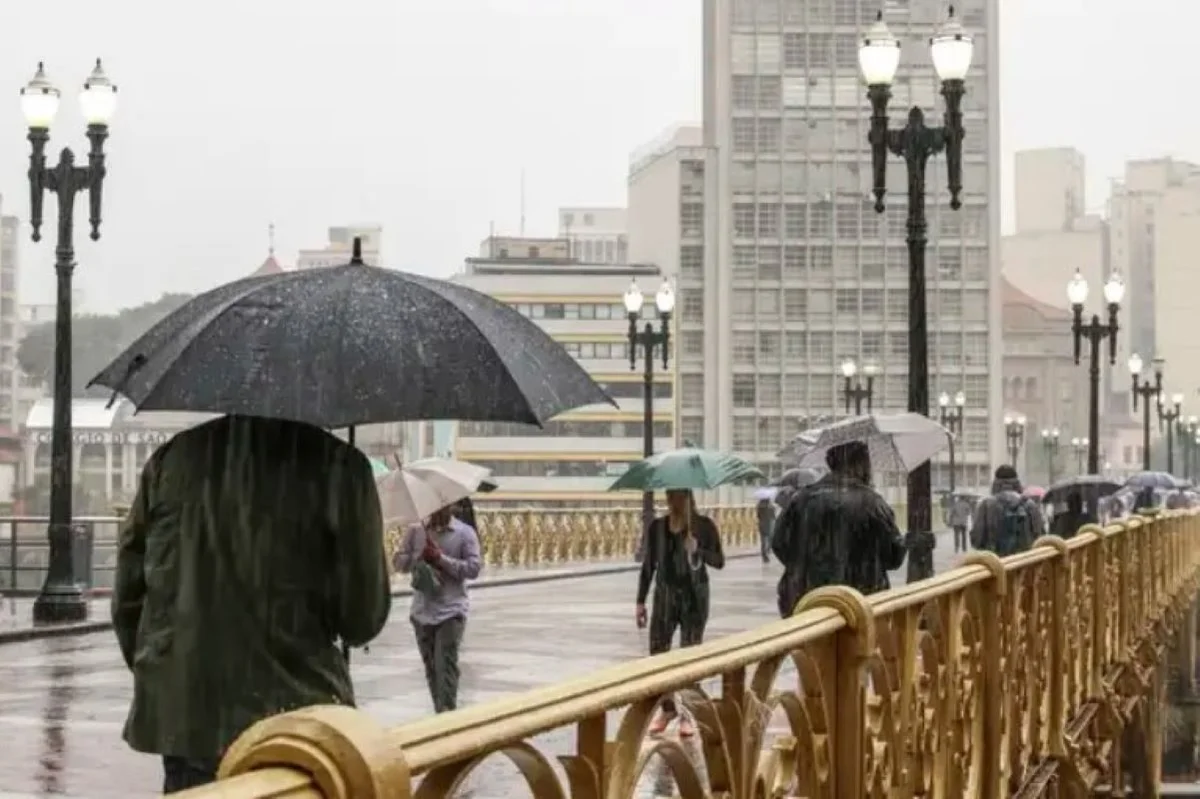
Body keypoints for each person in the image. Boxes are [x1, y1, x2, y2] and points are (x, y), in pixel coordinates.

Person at [112, 415, 391, 794]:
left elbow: (129, 595)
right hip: (299, 718)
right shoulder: (343, 467)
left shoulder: (172, 459)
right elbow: (363, 619)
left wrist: (171, 672)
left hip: (189, 715)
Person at [771, 441, 906, 619]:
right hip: (857, 604)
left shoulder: (801, 499)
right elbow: (893, 559)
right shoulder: (872, 503)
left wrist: (804, 567)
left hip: (804, 599)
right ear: (858, 465)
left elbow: (779, 543)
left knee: (805, 646)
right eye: (867, 464)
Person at [635, 489, 725, 737]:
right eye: (670, 495)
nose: (672, 500)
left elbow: (719, 561)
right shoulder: (658, 527)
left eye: (678, 495)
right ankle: (668, 708)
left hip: (694, 597)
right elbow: (648, 565)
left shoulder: (703, 526)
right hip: (665, 595)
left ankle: (687, 712)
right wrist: (640, 601)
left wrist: (698, 550)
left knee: (689, 654)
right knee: (658, 652)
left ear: (688, 497)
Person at [395, 503, 482, 713]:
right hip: (421, 612)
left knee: (446, 668)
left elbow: (473, 568)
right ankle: (439, 712)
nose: (437, 511)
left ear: (452, 507)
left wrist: (440, 559)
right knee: (431, 670)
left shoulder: (464, 533)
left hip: (451, 611)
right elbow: (399, 562)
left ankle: (447, 715)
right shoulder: (416, 530)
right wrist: (416, 557)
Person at [971, 465, 1046, 556]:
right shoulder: (1030, 505)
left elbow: (976, 540)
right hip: (1025, 563)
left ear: (995, 483)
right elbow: (1041, 537)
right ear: (1017, 482)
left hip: (996, 564)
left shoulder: (985, 505)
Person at [756, 497, 776, 563]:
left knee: (763, 541)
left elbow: (758, 516)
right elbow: (773, 516)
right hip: (769, 525)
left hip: (761, 524)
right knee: (770, 539)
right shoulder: (771, 507)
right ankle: (767, 551)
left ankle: (764, 554)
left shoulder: (759, 507)